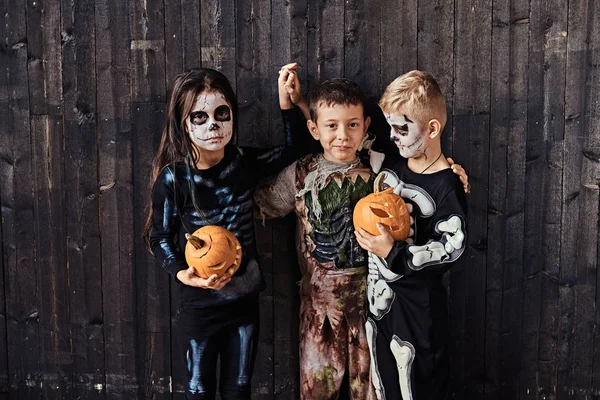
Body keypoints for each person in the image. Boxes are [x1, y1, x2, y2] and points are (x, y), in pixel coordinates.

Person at [143, 65, 308, 400]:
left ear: (233, 114)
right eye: (199, 118)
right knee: (198, 390)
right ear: (183, 124)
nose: (213, 125)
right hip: (199, 307)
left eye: (222, 113)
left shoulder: (242, 162)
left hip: (243, 303)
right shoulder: (175, 179)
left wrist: (288, 103)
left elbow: (296, 150)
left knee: (238, 390)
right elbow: (159, 237)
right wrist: (182, 273)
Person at [255, 78, 377, 399]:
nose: (342, 135)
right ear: (314, 129)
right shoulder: (302, 174)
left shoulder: (379, 173)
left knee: (372, 391)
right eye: (332, 125)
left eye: (352, 125)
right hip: (319, 312)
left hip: (372, 308)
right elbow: (262, 203)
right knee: (317, 391)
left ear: (365, 126)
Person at [355, 70, 468, 400]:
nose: (392, 136)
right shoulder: (392, 158)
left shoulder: (447, 187)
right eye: (390, 127)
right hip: (378, 302)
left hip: (419, 308)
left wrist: (393, 252)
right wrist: (299, 107)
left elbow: (452, 247)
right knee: (383, 382)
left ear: (432, 128)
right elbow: (337, 132)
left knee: (420, 384)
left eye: (402, 129)